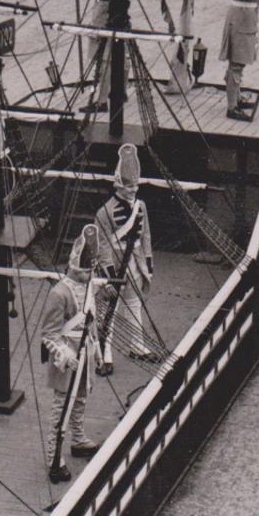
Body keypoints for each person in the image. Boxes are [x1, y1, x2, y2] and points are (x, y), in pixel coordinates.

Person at [41, 225, 105, 484]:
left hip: (86, 351)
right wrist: (67, 356)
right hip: (67, 358)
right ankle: (53, 456)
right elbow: (49, 335)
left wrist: (97, 350)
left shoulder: (89, 289)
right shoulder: (58, 294)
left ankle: (78, 439)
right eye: (86, 271)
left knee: (79, 400)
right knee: (61, 408)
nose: (89, 275)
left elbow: (91, 324)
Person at [93, 144, 155, 363]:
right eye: (129, 186)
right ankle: (104, 354)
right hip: (117, 265)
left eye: (135, 185)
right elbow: (102, 247)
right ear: (119, 185)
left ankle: (137, 347)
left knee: (135, 305)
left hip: (135, 262)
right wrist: (109, 275)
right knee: (109, 310)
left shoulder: (141, 207)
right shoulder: (104, 212)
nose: (133, 190)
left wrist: (148, 264)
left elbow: (145, 236)